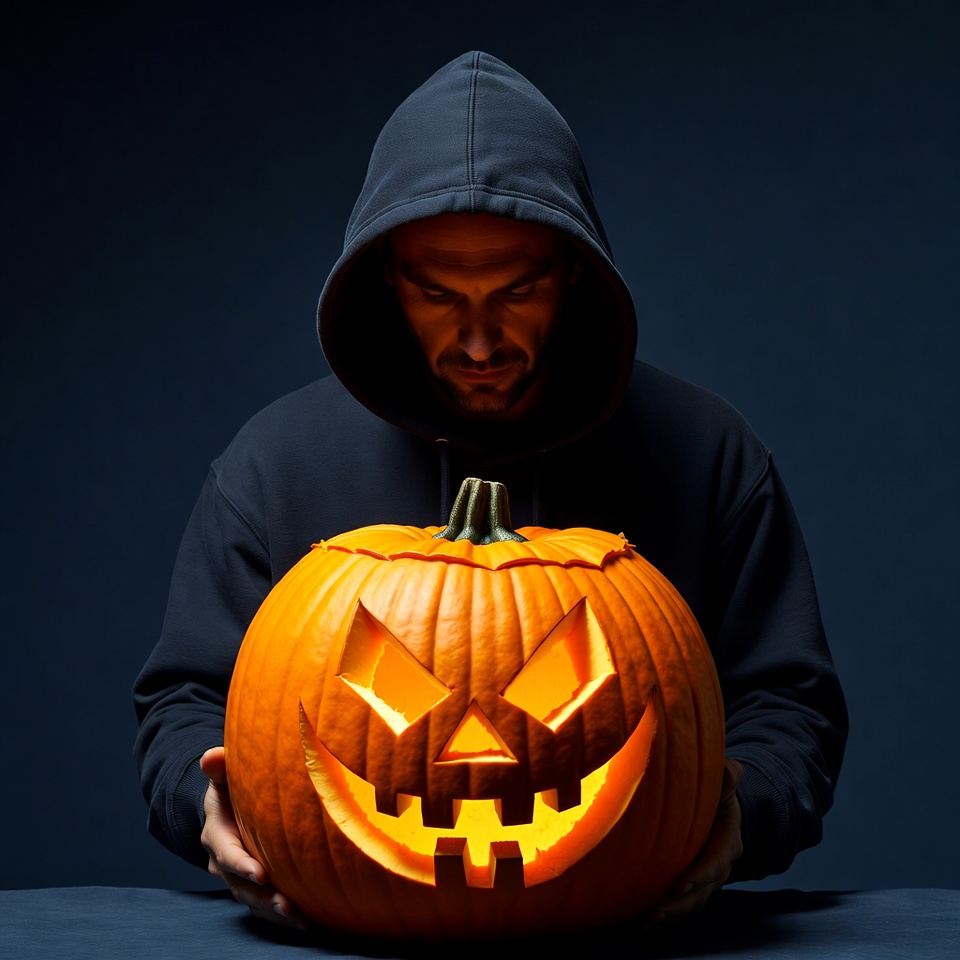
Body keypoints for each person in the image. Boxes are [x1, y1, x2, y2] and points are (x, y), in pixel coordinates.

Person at [134, 51, 847, 932]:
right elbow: (184, 703)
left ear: (574, 269)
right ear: (386, 273)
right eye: (437, 293)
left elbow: (789, 706)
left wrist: (747, 809)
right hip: (342, 937)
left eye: (518, 289)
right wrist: (200, 800)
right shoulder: (273, 465)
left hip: (637, 941)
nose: (478, 341)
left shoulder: (708, 452)